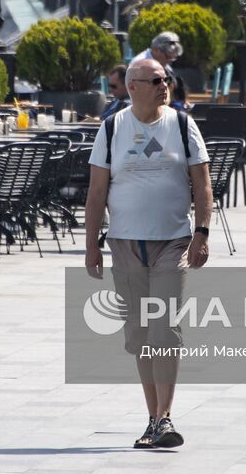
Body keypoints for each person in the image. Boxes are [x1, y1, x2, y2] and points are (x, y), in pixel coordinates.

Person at [84, 58, 212, 450]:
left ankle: (165, 416)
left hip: (172, 241)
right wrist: (91, 244)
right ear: (133, 86)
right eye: (156, 80)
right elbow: (96, 192)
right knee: (140, 336)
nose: (165, 85)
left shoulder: (182, 124)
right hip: (125, 243)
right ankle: (154, 418)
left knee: (164, 329)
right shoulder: (111, 128)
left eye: (167, 79)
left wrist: (202, 233)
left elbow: (203, 184)